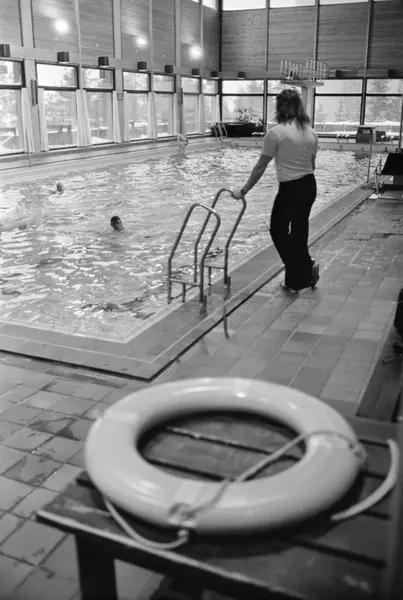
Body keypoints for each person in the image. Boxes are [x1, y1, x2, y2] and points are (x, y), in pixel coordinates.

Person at [232, 88, 320, 293]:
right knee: (299, 232)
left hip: (291, 188)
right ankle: (298, 277)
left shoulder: (276, 133)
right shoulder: (311, 132)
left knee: (278, 230)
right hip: (309, 185)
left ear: (279, 107)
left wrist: (243, 191)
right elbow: (312, 165)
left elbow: (260, 167)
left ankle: (302, 271)